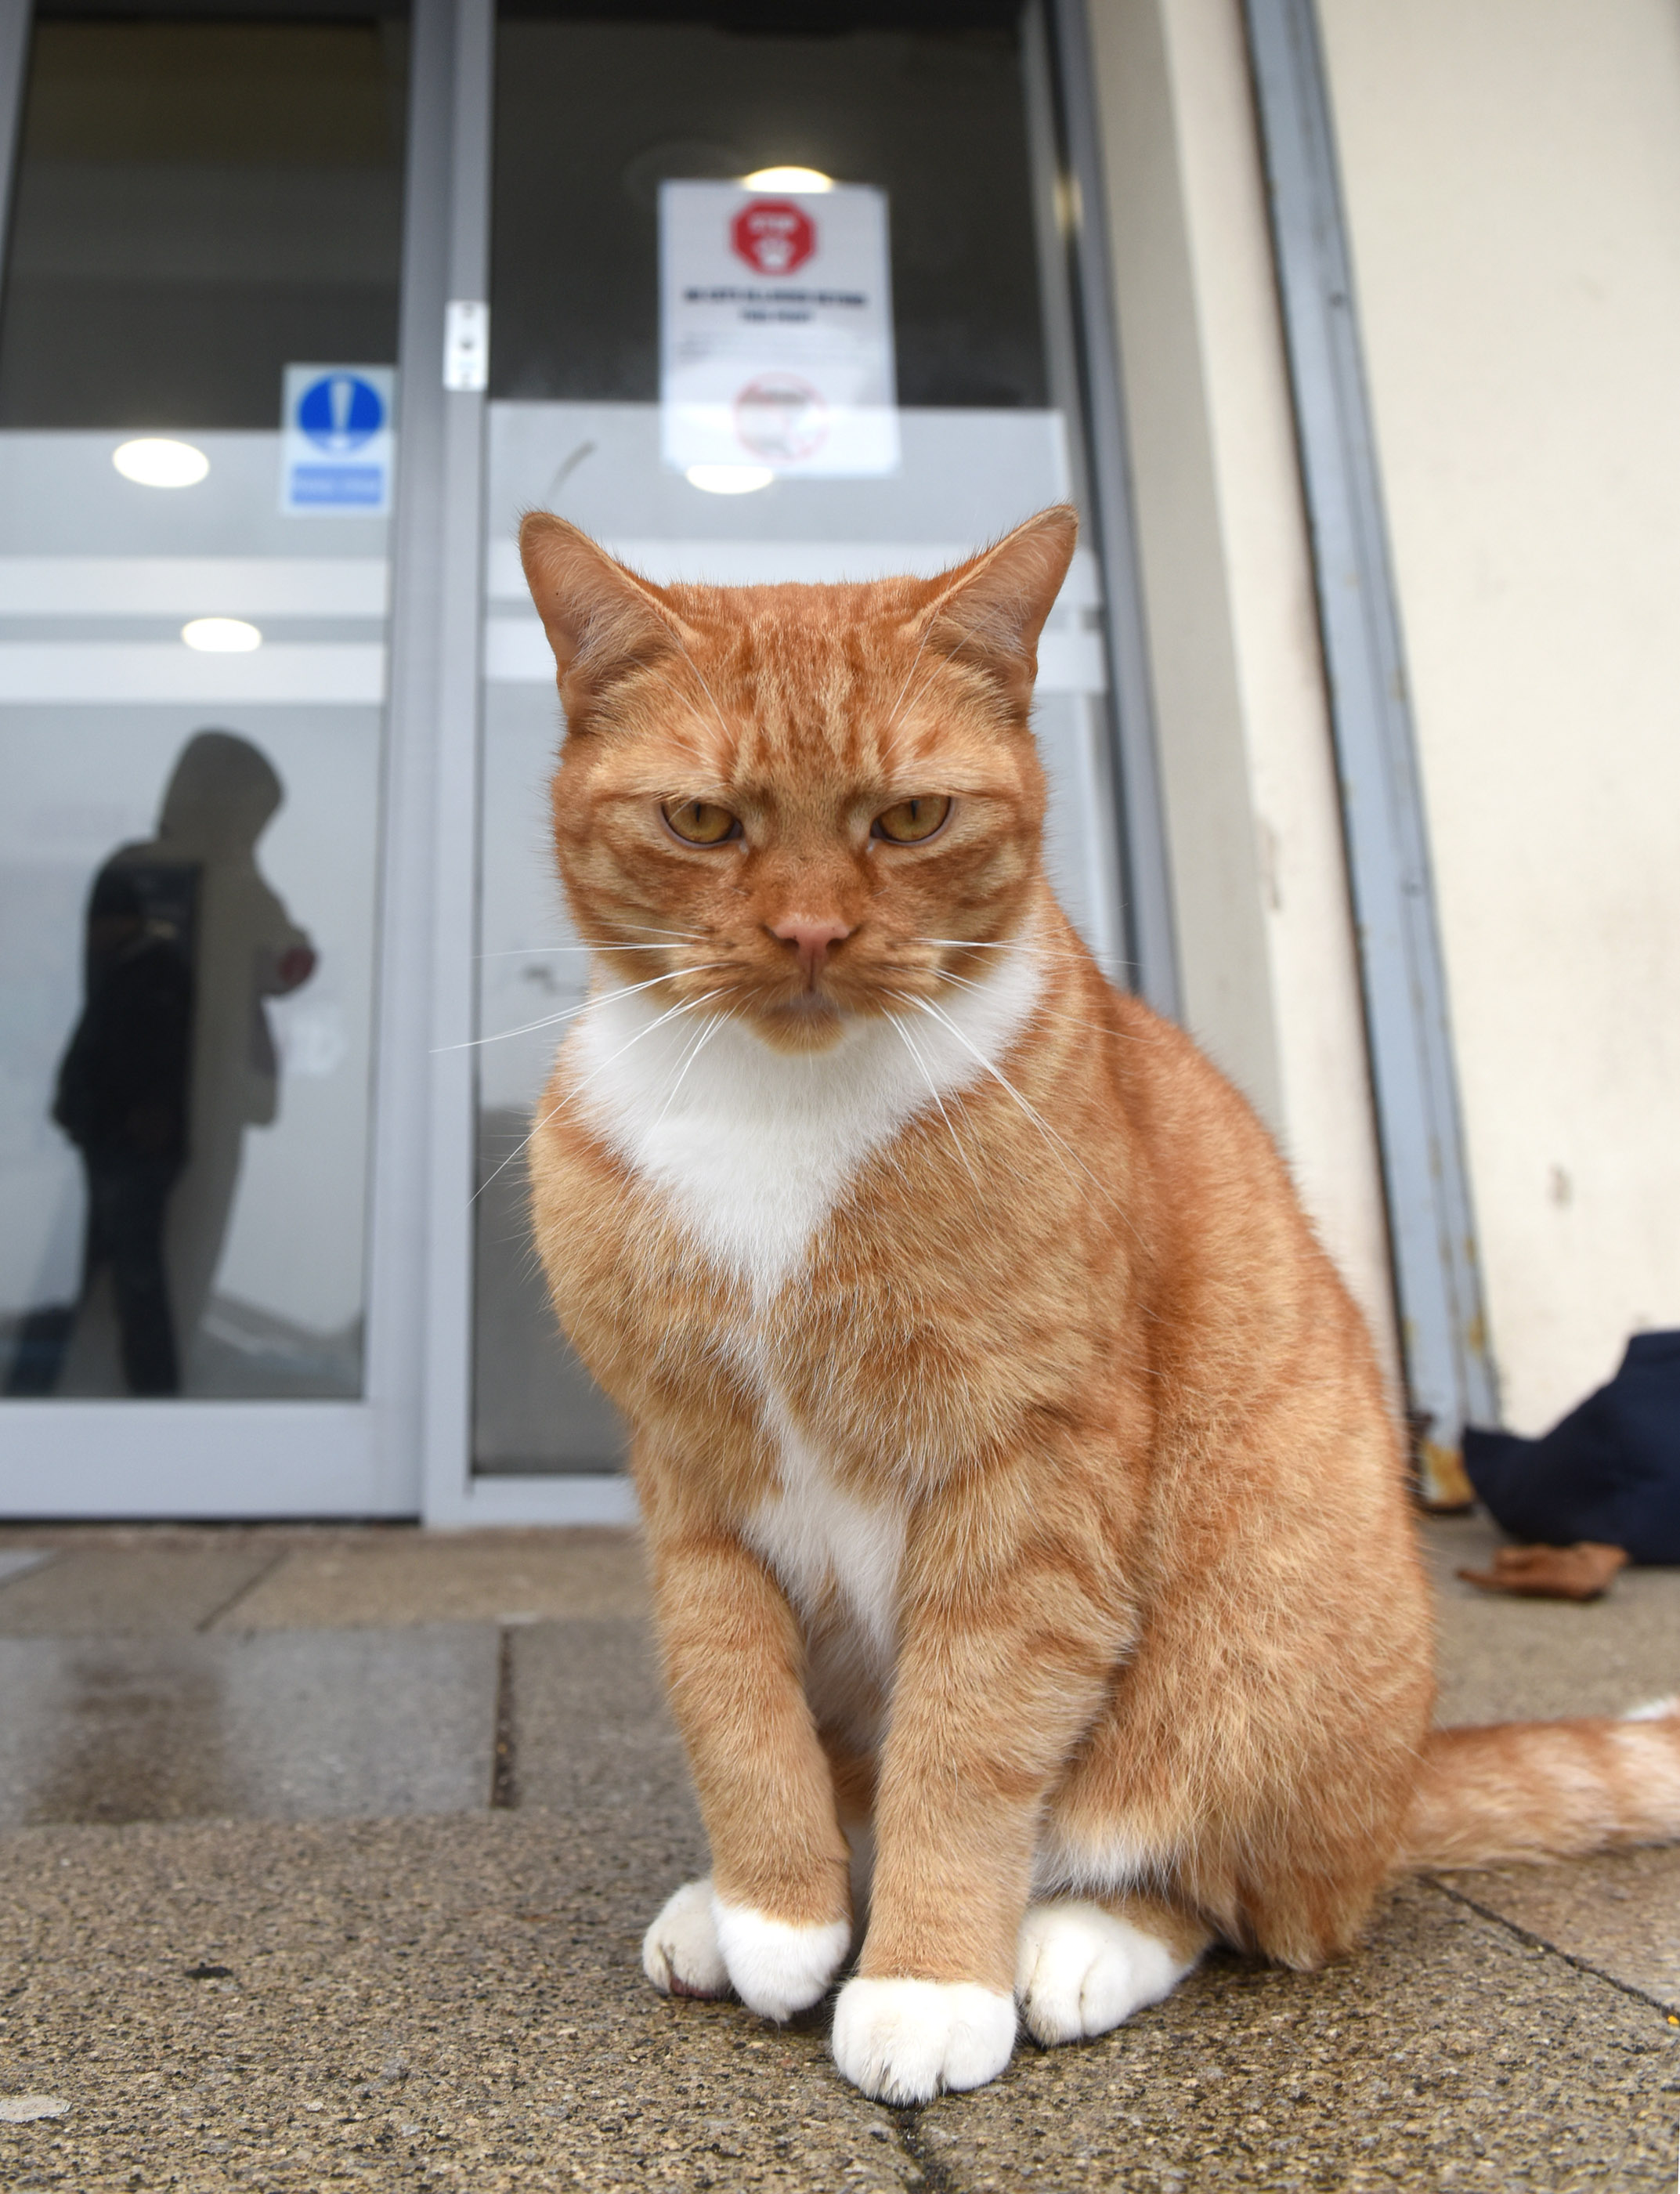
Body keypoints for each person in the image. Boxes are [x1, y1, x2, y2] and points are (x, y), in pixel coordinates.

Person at [46, 731, 316, 1397]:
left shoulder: (242, 883)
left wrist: (286, 954)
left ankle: (148, 1401)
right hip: (136, 1106)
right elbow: (122, 988)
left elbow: (286, 962)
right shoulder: (141, 871)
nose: (249, 830)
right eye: (246, 812)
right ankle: (130, 1401)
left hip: (212, 1102)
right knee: (130, 1268)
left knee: (182, 1256)